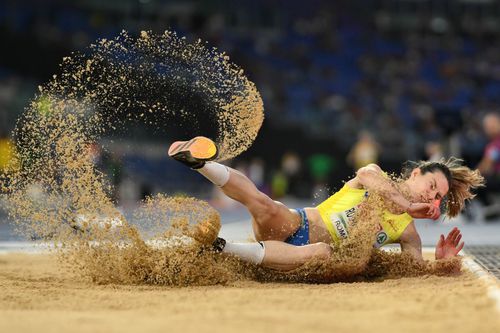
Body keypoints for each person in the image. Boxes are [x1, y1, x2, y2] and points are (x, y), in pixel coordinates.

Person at [168, 136, 484, 271]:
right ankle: (199, 163)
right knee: (265, 204)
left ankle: (221, 247)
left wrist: (443, 264)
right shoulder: (374, 173)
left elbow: (412, 270)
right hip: (298, 224)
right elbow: (375, 182)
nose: (432, 197)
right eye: (431, 186)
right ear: (416, 173)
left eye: (438, 196)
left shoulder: (409, 232)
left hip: (314, 258)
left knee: (323, 252)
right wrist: (404, 203)